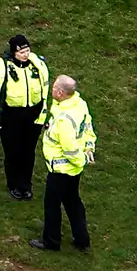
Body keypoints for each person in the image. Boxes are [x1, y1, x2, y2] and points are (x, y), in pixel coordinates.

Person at [0, 35, 51, 201]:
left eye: (27, 50)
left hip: (33, 116)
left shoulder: (37, 65)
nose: (25, 54)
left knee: (28, 152)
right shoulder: (3, 68)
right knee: (13, 152)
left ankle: (26, 185)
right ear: (13, 53)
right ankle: (13, 184)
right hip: (11, 117)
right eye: (21, 52)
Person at [38, 72, 96, 253]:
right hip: (74, 169)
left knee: (52, 206)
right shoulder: (79, 105)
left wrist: (79, 160)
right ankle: (82, 240)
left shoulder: (63, 118)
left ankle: (51, 241)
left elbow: (69, 146)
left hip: (61, 169)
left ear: (61, 93)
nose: (52, 89)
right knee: (73, 203)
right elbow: (87, 128)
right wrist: (88, 150)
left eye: (54, 87)